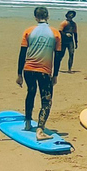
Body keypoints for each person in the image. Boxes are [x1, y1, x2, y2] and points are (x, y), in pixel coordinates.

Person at [16, 7, 63, 140]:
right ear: (48, 16)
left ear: (35, 17)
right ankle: (40, 129)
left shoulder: (29, 31)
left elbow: (22, 54)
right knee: (46, 100)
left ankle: (27, 123)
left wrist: (19, 74)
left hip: (28, 70)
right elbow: (58, 56)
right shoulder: (55, 33)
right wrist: (55, 75)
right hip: (44, 71)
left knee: (30, 93)